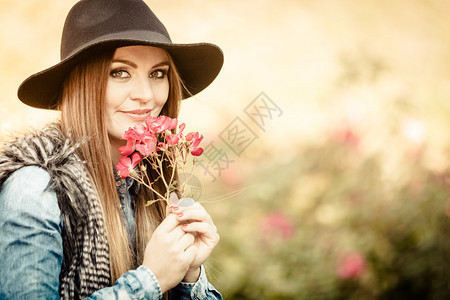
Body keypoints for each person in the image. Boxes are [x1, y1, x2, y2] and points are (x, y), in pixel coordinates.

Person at [0, 0, 224, 299]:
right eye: (120, 72)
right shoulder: (35, 190)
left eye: (158, 74)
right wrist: (150, 280)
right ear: (83, 84)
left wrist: (188, 274)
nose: (146, 95)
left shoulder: (147, 181)